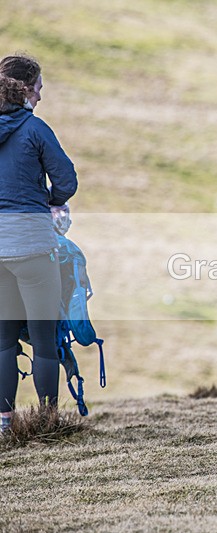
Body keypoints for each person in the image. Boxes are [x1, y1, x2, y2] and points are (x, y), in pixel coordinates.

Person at [0, 55, 78, 433]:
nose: (41, 96)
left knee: (3, 340)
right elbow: (67, 180)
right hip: (33, 246)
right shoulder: (35, 129)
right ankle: (47, 422)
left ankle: (4, 423)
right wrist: (48, 200)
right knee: (45, 339)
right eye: (39, 88)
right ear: (26, 89)